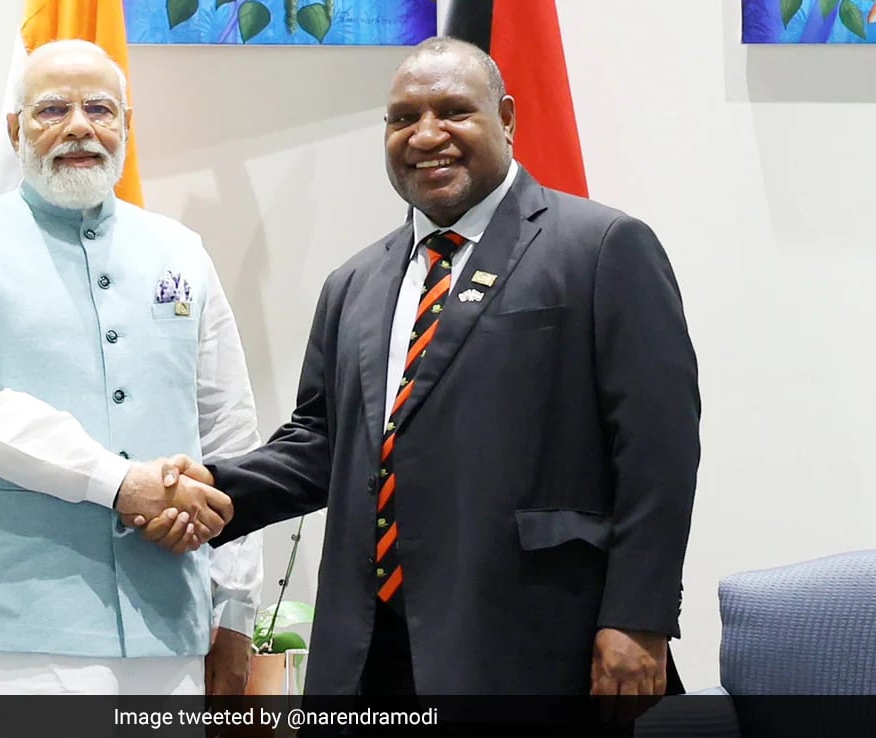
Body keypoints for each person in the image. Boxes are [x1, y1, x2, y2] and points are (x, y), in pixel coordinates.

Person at [133, 36, 700, 729]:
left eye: (454, 111)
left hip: (533, 643)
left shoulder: (602, 248)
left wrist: (638, 618)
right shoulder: (355, 283)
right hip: (370, 654)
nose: (427, 135)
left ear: (509, 119)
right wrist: (210, 493)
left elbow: (658, 452)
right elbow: (320, 444)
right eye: (403, 118)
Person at [0, 38, 262, 697]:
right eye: (52, 110)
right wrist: (120, 482)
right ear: (15, 130)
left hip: (170, 626)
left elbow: (229, 434)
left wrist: (235, 605)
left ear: (127, 126)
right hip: (8, 637)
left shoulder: (181, 252)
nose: (79, 127)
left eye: (100, 108)